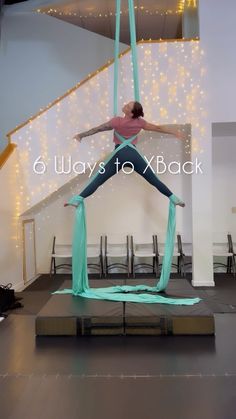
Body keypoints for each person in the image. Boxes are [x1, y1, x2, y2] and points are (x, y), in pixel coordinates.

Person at [64, 101, 185, 208]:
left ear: (131, 113)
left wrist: (81, 135)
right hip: (133, 156)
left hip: (120, 156)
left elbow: (98, 129)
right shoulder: (140, 123)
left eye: (128, 106)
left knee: (99, 179)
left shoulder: (117, 121)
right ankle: (173, 197)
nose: (125, 105)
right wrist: (174, 133)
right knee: (153, 179)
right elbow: (157, 128)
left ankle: (78, 199)